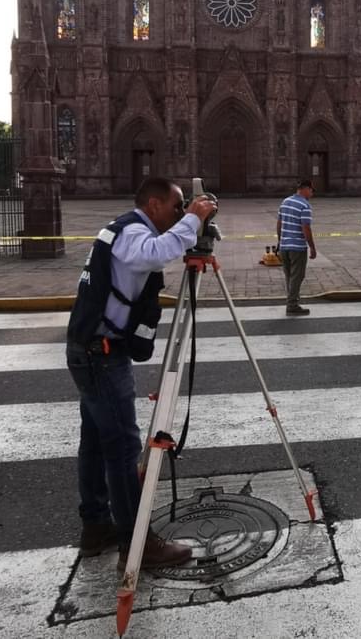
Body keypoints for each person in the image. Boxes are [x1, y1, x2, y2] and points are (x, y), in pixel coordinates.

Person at [64, 176, 217, 563]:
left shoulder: (122, 229)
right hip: (100, 355)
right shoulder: (133, 232)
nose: (181, 212)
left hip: (92, 350)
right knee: (122, 450)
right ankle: (138, 544)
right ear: (153, 205)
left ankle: (97, 525)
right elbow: (154, 254)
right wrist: (193, 220)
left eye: (186, 207)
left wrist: (193, 223)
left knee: (97, 445)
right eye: (177, 206)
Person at [276, 180, 317, 316]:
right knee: (297, 276)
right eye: (312, 190)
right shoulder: (305, 206)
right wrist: (312, 247)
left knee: (289, 275)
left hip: (284, 245)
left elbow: (279, 223)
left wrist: (280, 240)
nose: (312, 193)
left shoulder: (285, 202)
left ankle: (292, 300)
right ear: (306, 189)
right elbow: (306, 228)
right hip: (297, 247)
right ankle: (292, 305)